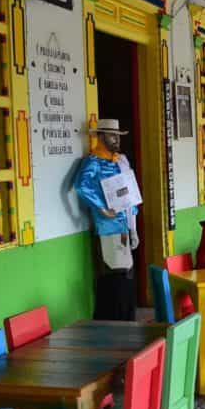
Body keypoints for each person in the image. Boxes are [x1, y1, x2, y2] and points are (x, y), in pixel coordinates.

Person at [74, 118, 140, 321]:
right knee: (115, 275)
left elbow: (130, 197)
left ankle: (128, 318)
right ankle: (114, 320)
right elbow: (81, 186)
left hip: (124, 227)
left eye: (118, 136)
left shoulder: (122, 161)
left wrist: (133, 228)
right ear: (101, 136)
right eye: (112, 136)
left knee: (127, 273)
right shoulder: (93, 162)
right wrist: (101, 208)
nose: (116, 140)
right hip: (108, 228)